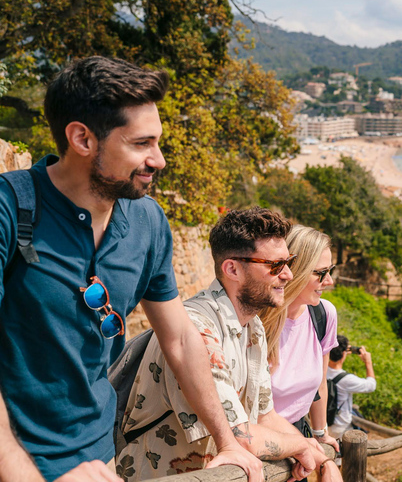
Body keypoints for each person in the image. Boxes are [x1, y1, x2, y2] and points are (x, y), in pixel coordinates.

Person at [0, 56, 261, 482]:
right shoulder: (10, 208)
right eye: (141, 144)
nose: (158, 159)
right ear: (82, 138)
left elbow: (178, 338)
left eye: (157, 142)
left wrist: (228, 441)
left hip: (99, 460)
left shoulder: (148, 222)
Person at [119, 208, 341, 481]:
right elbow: (243, 436)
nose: (288, 275)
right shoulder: (198, 328)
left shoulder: (254, 328)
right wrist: (301, 446)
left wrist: (320, 458)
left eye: (289, 262)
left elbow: (265, 417)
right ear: (232, 269)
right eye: (275, 266)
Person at [270, 226, 339, 451]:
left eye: (331, 270)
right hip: (260, 441)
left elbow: (320, 384)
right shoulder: (258, 322)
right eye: (320, 273)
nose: (329, 281)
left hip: (301, 437)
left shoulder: (324, 315)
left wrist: (320, 433)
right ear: (294, 271)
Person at [326, 336, 377, 438]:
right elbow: (371, 385)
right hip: (340, 428)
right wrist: (368, 362)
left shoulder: (321, 370)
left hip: (323, 425)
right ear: (343, 354)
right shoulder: (347, 379)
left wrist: (342, 353)